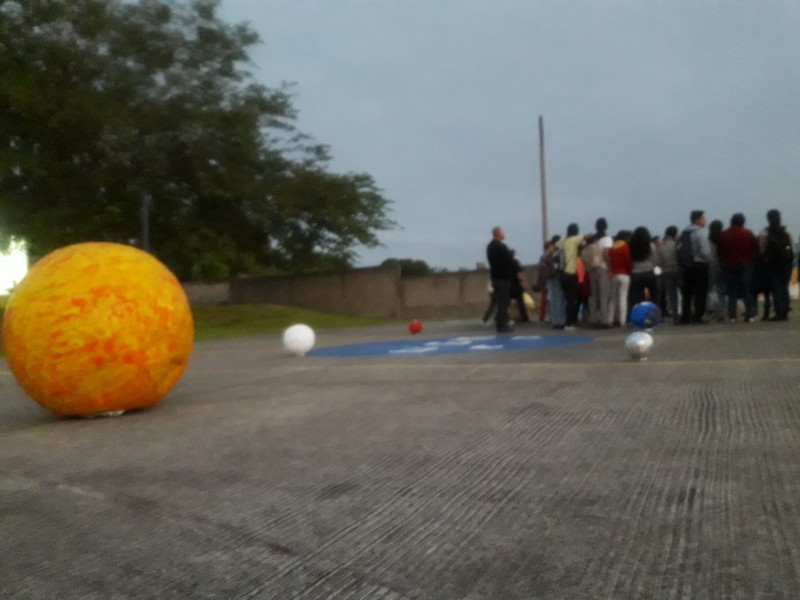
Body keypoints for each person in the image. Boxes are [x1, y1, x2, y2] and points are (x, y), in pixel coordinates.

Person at [717, 212, 759, 322]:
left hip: (729, 265)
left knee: (732, 291)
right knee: (746, 290)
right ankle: (749, 314)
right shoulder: (748, 233)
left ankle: (732, 316)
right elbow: (755, 248)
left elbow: (720, 251)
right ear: (743, 222)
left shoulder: (724, 234)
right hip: (746, 265)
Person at [758, 209, 794, 321]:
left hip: (772, 263)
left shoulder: (765, 232)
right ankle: (785, 312)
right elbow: (791, 246)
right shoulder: (787, 231)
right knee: (784, 286)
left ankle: (778, 312)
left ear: (768, 219)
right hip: (787, 262)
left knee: (776, 288)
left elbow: (762, 249)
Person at [679, 210, 711, 324]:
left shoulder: (684, 232)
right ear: (697, 220)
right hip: (700, 264)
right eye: (703, 218)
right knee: (700, 292)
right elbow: (705, 251)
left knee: (687, 292)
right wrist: (709, 260)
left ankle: (685, 316)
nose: (705, 220)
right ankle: (698, 315)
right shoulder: (701, 233)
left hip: (687, 265)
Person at [584, 218, 613, 328]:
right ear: (606, 227)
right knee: (604, 295)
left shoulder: (592, 239)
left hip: (592, 268)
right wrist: (610, 268)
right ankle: (604, 320)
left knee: (594, 295)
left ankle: (593, 319)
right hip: (603, 268)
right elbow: (606, 253)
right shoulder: (606, 239)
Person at [486, 226, 516, 333]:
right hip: (503, 278)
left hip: (495, 277)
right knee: (504, 302)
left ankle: (501, 323)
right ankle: (502, 325)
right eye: (502, 232)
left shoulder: (489, 247)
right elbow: (509, 260)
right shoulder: (501, 246)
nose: (504, 234)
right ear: (498, 234)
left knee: (499, 302)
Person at [556, 224, 583, 329]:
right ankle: (569, 322)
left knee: (565, 298)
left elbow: (556, 246)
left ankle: (562, 320)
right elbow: (587, 237)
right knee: (571, 299)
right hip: (571, 273)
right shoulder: (575, 239)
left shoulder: (562, 240)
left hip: (561, 273)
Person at [628, 226, 658, 309]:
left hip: (636, 273)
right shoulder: (650, 245)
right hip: (649, 272)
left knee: (636, 296)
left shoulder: (631, 246)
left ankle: (636, 314)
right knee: (653, 295)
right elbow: (655, 259)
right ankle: (654, 313)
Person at [608, 230, 632, 327]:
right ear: (626, 237)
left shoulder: (612, 248)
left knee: (613, 299)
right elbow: (628, 262)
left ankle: (610, 320)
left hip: (614, 275)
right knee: (623, 298)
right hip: (624, 275)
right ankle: (622, 321)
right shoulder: (625, 247)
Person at [658, 226, 681, 321]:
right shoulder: (677, 245)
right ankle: (685, 312)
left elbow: (658, 262)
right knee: (684, 293)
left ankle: (675, 314)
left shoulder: (661, 247)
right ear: (675, 234)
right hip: (678, 271)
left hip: (666, 272)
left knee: (672, 295)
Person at [509, 250, 531, 324]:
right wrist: (523, 282)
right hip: (516, 285)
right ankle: (524, 318)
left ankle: (506, 318)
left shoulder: (504, 263)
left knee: (505, 303)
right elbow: (519, 274)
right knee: (520, 301)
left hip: (507, 286)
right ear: (513, 255)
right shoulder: (515, 262)